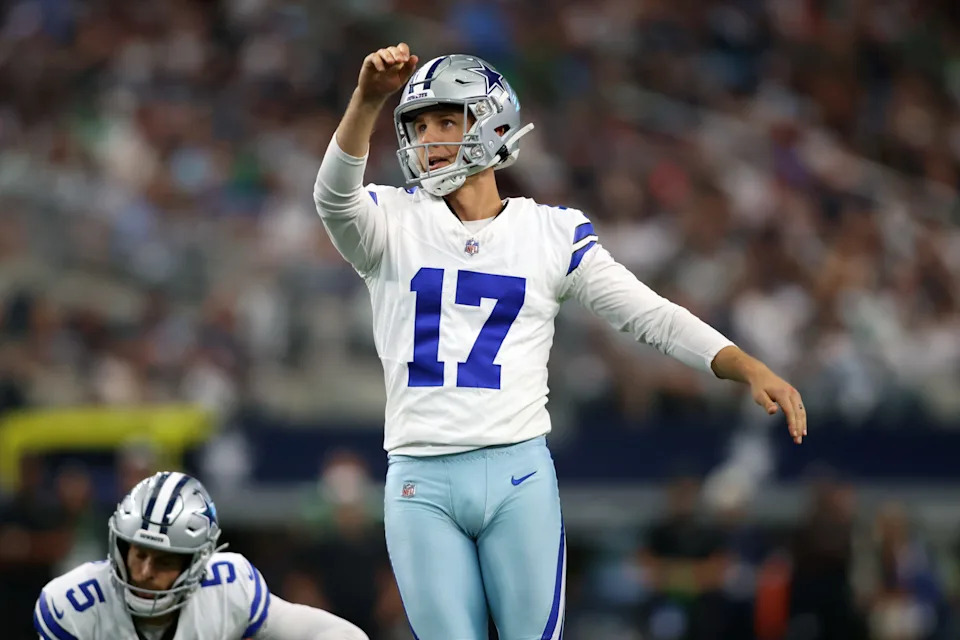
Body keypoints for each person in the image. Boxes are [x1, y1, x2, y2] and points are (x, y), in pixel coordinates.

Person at [313, 42, 807, 640]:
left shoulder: (549, 232)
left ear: (492, 123)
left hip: (517, 472)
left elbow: (648, 314)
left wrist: (745, 364)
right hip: (420, 479)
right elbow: (332, 197)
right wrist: (367, 100)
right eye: (418, 125)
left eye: (446, 120)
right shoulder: (390, 220)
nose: (429, 138)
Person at [33, 471, 368, 640]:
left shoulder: (228, 586)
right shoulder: (72, 605)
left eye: (164, 559)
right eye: (139, 553)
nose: (145, 571)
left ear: (197, 563)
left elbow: (332, 634)